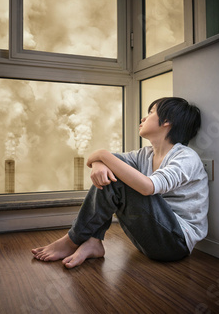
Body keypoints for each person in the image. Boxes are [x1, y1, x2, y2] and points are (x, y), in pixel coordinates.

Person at [32, 97, 209, 268]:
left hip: (175, 242)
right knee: (115, 170)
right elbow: (98, 159)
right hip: (146, 240)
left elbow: (148, 187)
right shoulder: (144, 154)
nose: (143, 118)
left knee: (118, 178)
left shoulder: (186, 157)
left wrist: (102, 155)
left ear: (167, 121)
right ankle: (93, 240)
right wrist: (100, 162)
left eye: (151, 112)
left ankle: (72, 240)